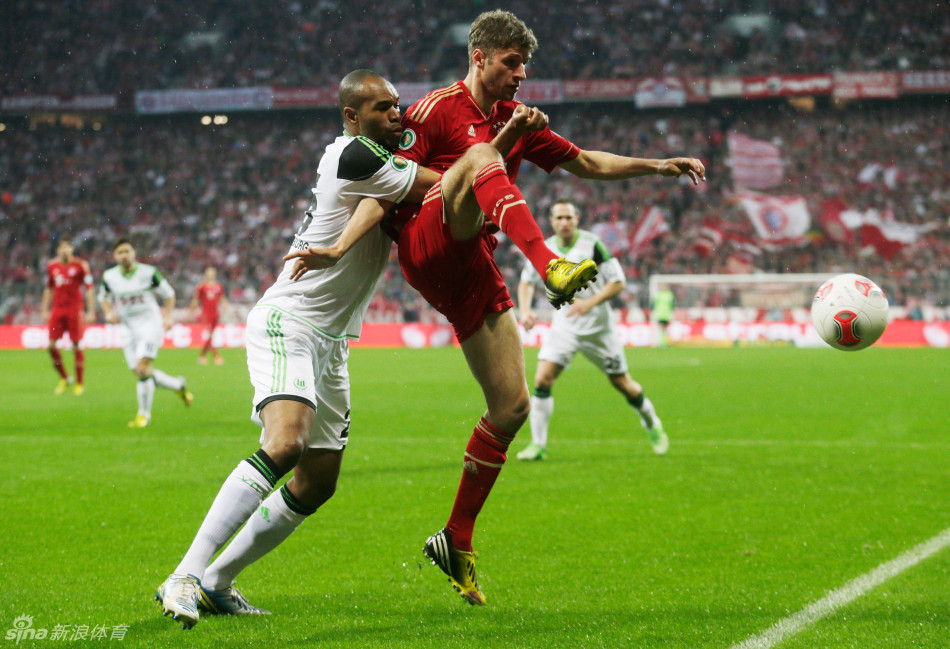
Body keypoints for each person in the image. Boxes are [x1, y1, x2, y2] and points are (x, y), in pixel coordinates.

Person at [391, 9, 704, 605]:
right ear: (480, 57)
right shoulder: (434, 110)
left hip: (473, 262)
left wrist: (658, 164)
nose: (521, 75)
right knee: (484, 156)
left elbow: (585, 163)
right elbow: (395, 172)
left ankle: (456, 536)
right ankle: (551, 265)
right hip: (427, 239)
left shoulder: (517, 118)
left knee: (511, 406)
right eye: (512, 63)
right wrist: (482, 155)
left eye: (525, 65)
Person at [156, 70, 443, 630]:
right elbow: (446, 182)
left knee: (318, 481)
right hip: (291, 319)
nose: (395, 114)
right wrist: (491, 158)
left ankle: (218, 582)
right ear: (352, 117)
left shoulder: (379, 169)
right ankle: (185, 574)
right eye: (381, 107)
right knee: (286, 443)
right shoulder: (354, 153)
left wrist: (340, 245)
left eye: (397, 105)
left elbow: (383, 205)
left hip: (332, 341)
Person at [516, 199, 669, 462]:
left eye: (568, 217)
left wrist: (589, 303)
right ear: (551, 221)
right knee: (542, 380)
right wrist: (525, 309)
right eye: (559, 218)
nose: (564, 223)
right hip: (564, 327)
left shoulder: (593, 245)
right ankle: (538, 445)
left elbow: (618, 283)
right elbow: (526, 282)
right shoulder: (545, 248)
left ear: (577, 219)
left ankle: (651, 422)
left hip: (599, 328)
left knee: (623, 384)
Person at [98, 238, 193, 428]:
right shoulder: (109, 276)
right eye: (120, 252)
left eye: (127, 251)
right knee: (141, 372)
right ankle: (177, 385)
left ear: (133, 253)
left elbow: (169, 293)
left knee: (142, 369)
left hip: (150, 325)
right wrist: (108, 312)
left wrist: (167, 317)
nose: (124, 255)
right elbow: (103, 297)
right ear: (115, 256)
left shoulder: (148, 273)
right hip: (129, 328)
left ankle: (143, 416)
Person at [41, 240, 95, 395]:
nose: (64, 250)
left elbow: (89, 289)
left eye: (67, 246)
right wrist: (44, 309)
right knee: (51, 346)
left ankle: (79, 383)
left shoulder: (81, 265)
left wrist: (90, 311)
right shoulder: (52, 266)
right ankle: (65, 378)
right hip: (57, 310)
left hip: (74, 310)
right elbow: (48, 288)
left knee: (76, 345)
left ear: (72, 248)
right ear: (58, 249)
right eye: (61, 247)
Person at [187, 266, 235, 365]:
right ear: (206, 274)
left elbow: (222, 299)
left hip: (215, 314)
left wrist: (228, 310)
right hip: (206, 314)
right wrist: (191, 312)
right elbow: (196, 300)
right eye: (209, 273)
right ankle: (216, 356)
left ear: (214, 274)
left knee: (211, 336)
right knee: (209, 335)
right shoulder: (202, 286)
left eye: (212, 273)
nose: (210, 275)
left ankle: (202, 356)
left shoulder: (218, 286)